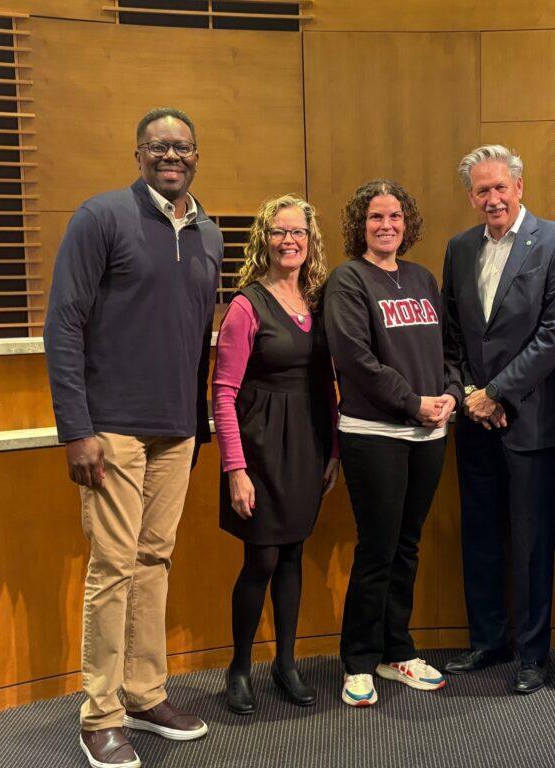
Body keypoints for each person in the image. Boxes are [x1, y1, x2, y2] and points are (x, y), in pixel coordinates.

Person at [43, 107, 222, 768]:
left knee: (154, 561)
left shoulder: (209, 232)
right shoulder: (101, 218)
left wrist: (197, 422)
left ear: (196, 155)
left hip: (175, 430)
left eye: (181, 147)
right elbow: (63, 325)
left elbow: (198, 334)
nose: (170, 156)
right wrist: (76, 430)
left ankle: (145, 695)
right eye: (158, 146)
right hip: (111, 428)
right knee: (113, 568)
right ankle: (101, 714)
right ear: (138, 152)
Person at [441, 145, 555, 694]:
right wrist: (470, 393)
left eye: (501, 187)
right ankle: (487, 639)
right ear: (471, 196)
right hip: (474, 419)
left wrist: (497, 392)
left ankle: (531, 653)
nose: (492, 198)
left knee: (530, 538)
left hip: (530, 419)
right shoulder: (458, 248)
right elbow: (451, 332)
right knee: (479, 534)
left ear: (519, 186)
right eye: (482, 190)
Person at [324, 179, 460, 707]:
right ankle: (358, 660)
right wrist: (413, 402)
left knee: (407, 545)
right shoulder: (348, 280)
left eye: (396, 217)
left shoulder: (423, 279)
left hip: (429, 433)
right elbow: (355, 359)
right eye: (376, 217)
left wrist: (449, 393)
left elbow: (450, 347)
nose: (387, 226)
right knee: (377, 548)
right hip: (374, 434)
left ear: (408, 224)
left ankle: (396, 649)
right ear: (361, 224)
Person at [213, 195, 340, 713]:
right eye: (280, 232)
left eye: (299, 233)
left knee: (292, 555)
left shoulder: (317, 302)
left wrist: (332, 449)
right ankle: (239, 667)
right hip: (260, 446)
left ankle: (285, 663)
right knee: (261, 558)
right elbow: (222, 392)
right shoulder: (247, 304)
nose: (291, 241)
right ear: (263, 240)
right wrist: (235, 469)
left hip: (307, 444)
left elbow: (326, 382)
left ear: (310, 243)